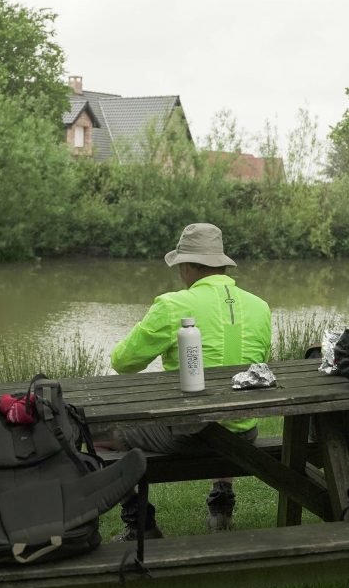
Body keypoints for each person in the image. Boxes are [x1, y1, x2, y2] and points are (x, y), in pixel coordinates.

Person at [107, 223, 272, 540]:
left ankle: (140, 524)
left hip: (188, 435)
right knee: (224, 412)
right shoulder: (260, 306)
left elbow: (123, 363)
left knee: (101, 432)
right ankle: (222, 502)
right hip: (244, 433)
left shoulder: (173, 305)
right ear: (222, 264)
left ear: (185, 265)